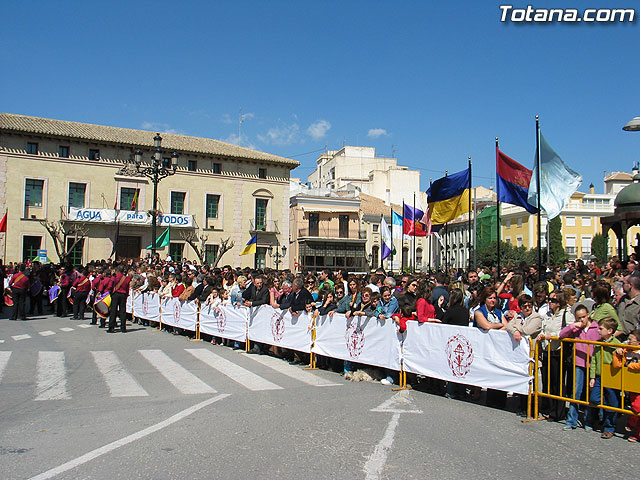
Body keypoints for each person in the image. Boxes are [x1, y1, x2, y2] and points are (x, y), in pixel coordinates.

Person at [559, 304, 600, 430]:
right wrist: (572, 326)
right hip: (579, 363)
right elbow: (561, 334)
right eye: (579, 318)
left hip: (592, 364)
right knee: (576, 392)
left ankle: (589, 421)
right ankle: (572, 420)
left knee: (590, 393)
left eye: (583, 317)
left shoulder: (596, 328)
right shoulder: (576, 329)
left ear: (588, 315)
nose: (582, 320)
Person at [587, 317, 623, 438]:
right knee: (595, 399)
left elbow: (624, 352)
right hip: (599, 376)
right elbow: (594, 361)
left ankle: (609, 427)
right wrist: (592, 377)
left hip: (612, 377)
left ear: (610, 331)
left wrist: (620, 349)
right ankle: (603, 416)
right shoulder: (598, 343)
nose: (598, 331)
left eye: (601, 329)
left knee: (612, 403)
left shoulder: (616, 343)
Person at [612, 329, 640, 442]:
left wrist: (632, 366)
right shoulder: (626, 350)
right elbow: (617, 365)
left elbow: (632, 366)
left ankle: (633, 424)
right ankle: (635, 430)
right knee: (635, 407)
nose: (628, 341)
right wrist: (616, 354)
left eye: (631, 340)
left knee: (637, 406)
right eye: (628, 339)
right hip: (631, 385)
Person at [108, 266, 131, 333]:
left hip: (115, 294)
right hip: (123, 295)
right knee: (123, 311)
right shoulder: (126, 278)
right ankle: (123, 327)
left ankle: (111, 327)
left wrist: (110, 292)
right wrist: (126, 295)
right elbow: (127, 288)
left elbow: (110, 286)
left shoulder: (114, 277)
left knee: (113, 311)